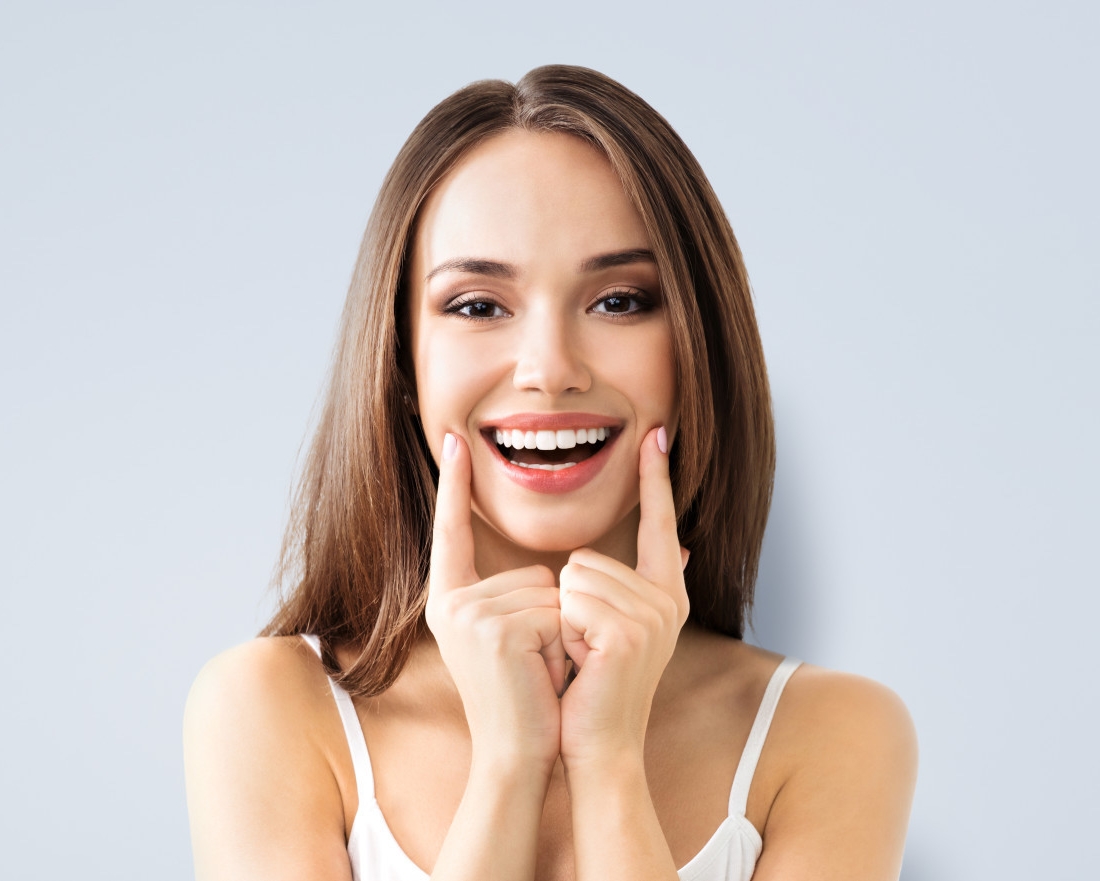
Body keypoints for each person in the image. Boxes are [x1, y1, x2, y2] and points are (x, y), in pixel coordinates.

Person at [183, 65, 918, 881]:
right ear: (401, 361)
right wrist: (507, 760)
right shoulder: (271, 710)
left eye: (619, 300)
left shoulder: (831, 732)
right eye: (477, 305)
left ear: (696, 349)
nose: (550, 367)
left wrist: (607, 760)